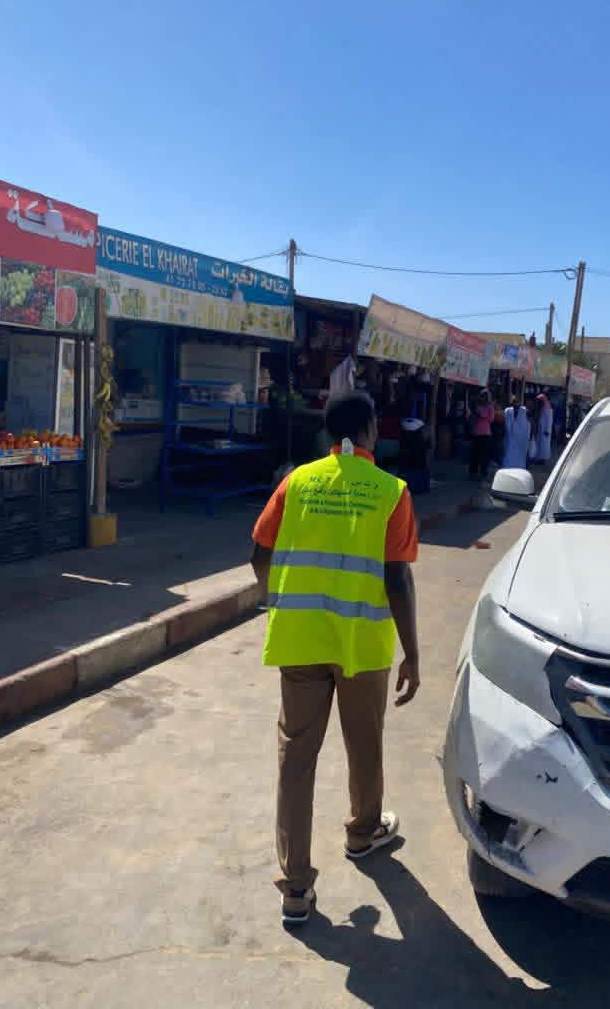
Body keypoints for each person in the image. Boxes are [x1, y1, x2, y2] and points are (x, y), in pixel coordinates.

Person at [251, 392, 420, 926]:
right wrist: (413, 653)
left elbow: (260, 551)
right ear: (368, 430)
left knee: (296, 759)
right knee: (364, 744)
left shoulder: (296, 483)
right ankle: (362, 832)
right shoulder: (391, 491)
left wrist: (276, 601)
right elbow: (397, 578)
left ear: (328, 433)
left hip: (300, 640)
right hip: (362, 648)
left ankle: (296, 886)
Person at [467, 388, 494, 480]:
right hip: (476, 433)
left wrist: (482, 415)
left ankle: (483, 473)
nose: (483, 398)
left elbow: (491, 419)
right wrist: (475, 415)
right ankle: (472, 473)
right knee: (474, 454)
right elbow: (472, 417)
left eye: (485, 396)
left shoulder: (490, 407)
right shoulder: (477, 406)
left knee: (484, 455)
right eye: (482, 396)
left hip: (485, 434)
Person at [502, 397, 530, 469]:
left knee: (520, 456)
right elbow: (505, 423)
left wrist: (528, 436)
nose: (516, 404)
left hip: (521, 439)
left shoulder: (524, 411)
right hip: (509, 437)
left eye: (517, 402)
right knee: (509, 454)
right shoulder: (508, 410)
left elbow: (528, 424)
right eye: (514, 402)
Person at [533, 391, 554, 464]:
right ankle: (540, 459)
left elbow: (549, 420)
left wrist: (547, 430)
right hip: (542, 429)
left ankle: (542, 460)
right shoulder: (544, 407)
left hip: (545, 430)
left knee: (544, 445)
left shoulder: (548, 408)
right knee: (541, 444)